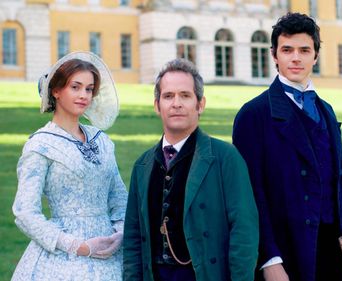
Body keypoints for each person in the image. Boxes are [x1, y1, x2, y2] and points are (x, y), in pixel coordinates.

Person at [232, 12, 342, 281]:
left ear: (315, 55)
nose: (296, 58)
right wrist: (268, 259)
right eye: (287, 50)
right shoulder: (253, 115)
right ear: (274, 55)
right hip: (285, 253)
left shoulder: (326, 111)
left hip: (330, 253)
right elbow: (249, 196)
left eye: (304, 50)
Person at [122, 58, 258, 281]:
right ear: (157, 105)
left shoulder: (226, 157)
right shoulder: (142, 165)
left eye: (185, 95)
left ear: (200, 104)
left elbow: (244, 232)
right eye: (168, 96)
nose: (176, 103)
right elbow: (134, 238)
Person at [11, 51, 128, 280]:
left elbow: (119, 197)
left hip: (109, 252)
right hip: (63, 256)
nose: (84, 95)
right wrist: (78, 246)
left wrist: (120, 233)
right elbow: (25, 212)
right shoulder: (41, 145)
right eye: (75, 87)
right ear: (56, 91)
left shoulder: (101, 140)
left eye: (89, 89)